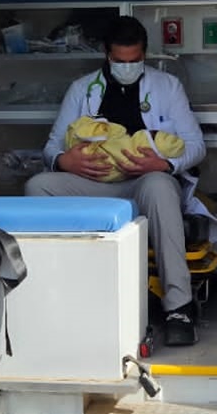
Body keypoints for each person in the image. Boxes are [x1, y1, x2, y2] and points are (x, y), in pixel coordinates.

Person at [26, 17, 206, 346]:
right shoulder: (83, 89)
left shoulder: (167, 87)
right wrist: (64, 161)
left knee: (161, 185)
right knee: (38, 187)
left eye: (135, 60)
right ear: (107, 55)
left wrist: (165, 163)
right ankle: (54, 294)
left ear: (144, 54)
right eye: (120, 61)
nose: (128, 67)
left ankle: (178, 307)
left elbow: (196, 146)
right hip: (95, 184)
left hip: (144, 183)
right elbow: (51, 146)